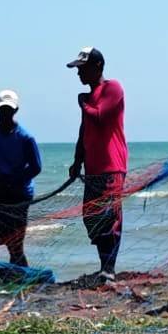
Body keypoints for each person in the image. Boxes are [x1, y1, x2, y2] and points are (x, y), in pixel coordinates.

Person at [66, 47, 127, 284]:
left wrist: (83, 103)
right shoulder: (89, 97)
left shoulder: (113, 88)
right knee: (91, 217)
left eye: (82, 68)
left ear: (98, 66)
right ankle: (104, 267)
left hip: (111, 166)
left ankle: (108, 270)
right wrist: (77, 161)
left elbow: (100, 116)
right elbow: (84, 131)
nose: (79, 73)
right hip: (92, 168)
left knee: (109, 217)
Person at [0, 90, 43, 268]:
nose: (5, 113)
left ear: (16, 110)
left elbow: (36, 167)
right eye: (2, 110)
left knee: (16, 243)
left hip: (20, 193)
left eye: (9, 110)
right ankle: (17, 273)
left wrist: (13, 182)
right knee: (3, 239)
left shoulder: (26, 137)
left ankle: (22, 275)